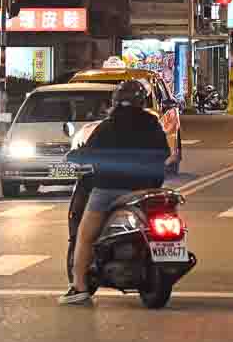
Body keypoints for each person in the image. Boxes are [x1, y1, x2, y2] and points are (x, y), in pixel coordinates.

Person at [59, 79, 171, 306]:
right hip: (147, 190)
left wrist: (76, 156)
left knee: (85, 235)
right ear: (142, 102)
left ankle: (79, 286)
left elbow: (88, 153)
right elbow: (165, 152)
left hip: (109, 190)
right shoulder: (152, 123)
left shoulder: (108, 126)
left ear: (116, 101)